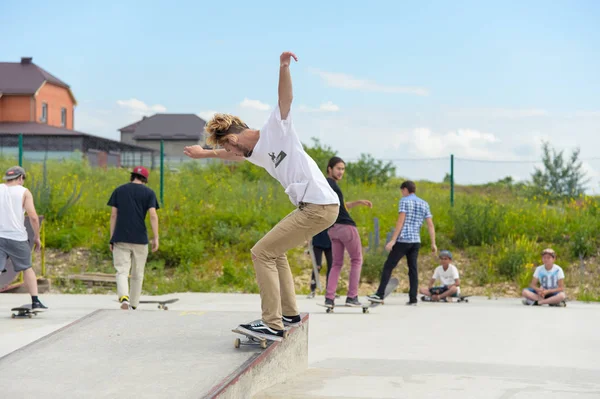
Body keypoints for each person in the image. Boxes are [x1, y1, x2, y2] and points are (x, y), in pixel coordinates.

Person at [183, 51, 339, 341]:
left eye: (229, 146)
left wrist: (283, 67)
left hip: (318, 205)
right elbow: (230, 156)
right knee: (274, 251)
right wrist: (205, 153)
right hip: (316, 206)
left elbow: (285, 100)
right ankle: (289, 313)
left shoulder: (275, 130)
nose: (231, 152)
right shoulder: (254, 153)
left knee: (261, 252)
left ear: (234, 137)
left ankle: (272, 322)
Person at [368, 180, 437, 305]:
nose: (402, 194)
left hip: (404, 239)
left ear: (405, 189)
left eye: (402, 191)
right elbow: (430, 225)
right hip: (416, 241)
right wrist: (433, 243)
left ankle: (379, 294)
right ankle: (413, 298)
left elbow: (401, 221)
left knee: (388, 266)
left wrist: (393, 240)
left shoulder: (404, 201)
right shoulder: (424, 203)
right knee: (413, 270)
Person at [107, 166, 160, 310]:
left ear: (132, 176)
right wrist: (156, 237)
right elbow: (153, 215)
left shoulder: (119, 190)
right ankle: (134, 304)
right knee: (138, 273)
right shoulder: (149, 193)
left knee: (122, 271)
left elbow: (113, 215)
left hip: (121, 237)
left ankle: (124, 297)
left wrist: (112, 237)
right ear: (145, 179)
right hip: (140, 239)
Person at [323, 157, 372, 308]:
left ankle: (329, 298)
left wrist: (358, 202)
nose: (341, 172)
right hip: (346, 227)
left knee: (336, 263)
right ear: (329, 169)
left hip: (333, 229)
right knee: (356, 260)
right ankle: (352, 296)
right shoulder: (333, 185)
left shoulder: (326, 185)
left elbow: (341, 206)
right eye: (338, 168)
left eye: (343, 169)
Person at [0, 166, 47, 310]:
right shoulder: (24, 192)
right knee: (27, 268)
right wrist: (37, 237)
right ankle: (35, 301)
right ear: (20, 178)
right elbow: (33, 217)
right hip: (17, 237)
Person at [307, 229, 332, 299]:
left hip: (330, 241)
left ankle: (330, 290)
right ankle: (313, 290)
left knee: (332, 266)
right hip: (317, 241)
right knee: (317, 266)